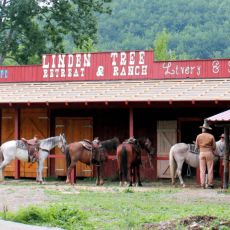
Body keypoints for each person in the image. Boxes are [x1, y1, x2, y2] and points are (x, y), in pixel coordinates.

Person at [195, 122, 216, 189]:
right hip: (209, 153)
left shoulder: (198, 136)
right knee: (210, 169)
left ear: (203, 129)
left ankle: (202, 184)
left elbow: (196, 147)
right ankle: (210, 184)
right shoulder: (211, 136)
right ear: (207, 129)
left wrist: (201, 148)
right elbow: (214, 147)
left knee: (202, 170)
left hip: (201, 153)